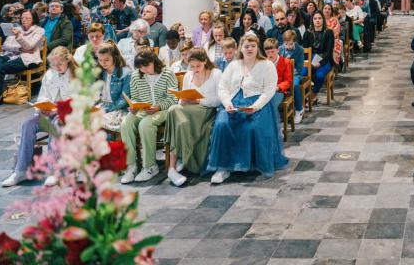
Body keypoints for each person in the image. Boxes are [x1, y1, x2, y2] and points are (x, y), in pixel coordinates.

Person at [205, 33, 288, 183]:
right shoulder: (234, 65)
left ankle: (252, 163)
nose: (249, 49)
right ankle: (223, 167)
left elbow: (269, 90)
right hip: (234, 102)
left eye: (253, 46)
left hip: (258, 103)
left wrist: (255, 107)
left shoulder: (267, 65)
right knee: (222, 125)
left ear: (257, 48)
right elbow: (222, 87)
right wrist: (227, 103)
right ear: (240, 48)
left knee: (252, 128)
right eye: (246, 46)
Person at [1, 47, 77, 187]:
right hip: (49, 112)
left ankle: (53, 171)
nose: (57, 67)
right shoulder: (49, 75)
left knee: (57, 124)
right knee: (28, 124)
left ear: (67, 61)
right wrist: (41, 108)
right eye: (54, 64)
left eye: (60, 63)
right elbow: (42, 95)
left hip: (67, 116)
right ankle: (21, 171)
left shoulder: (77, 75)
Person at [164, 48, 222, 186]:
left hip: (205, 112)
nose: (195, 69)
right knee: (174, 112)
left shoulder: (216, 74)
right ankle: (172, 168)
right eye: (192, 66)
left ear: (205, 61)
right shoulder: (188, 75)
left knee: (173, 112)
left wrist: (198, 101)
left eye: (198, 66)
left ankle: (175, 164)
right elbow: (182, 98)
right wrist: (182, 100)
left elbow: (218, 100)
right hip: (186, 111)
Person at [120, 51, 179, 183]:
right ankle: (131, 166)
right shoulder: (136, 76)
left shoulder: (167, 73)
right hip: (143, 110)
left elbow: (174, 98)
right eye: (140, 67)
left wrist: (158, 107)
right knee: (126, 123)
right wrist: (133, 107)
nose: (143, 70)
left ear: (154, 62)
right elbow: (135, 97)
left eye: (146, 66)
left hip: (163, 110)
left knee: (145, 124)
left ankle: (150, 166)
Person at [0, 10, 45, 99]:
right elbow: (5, 46)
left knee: (1, 68)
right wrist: (19, 48)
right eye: (22, 18)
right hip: (11, 55)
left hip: (29, 58)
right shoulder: (17, 28)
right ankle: (1, 93)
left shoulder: (39, 30)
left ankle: (0, 94)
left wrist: (18, 36)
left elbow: (29, 46)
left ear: (33, 19)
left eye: (27, 18)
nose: (24, 20)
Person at [95, 42, 131, 133]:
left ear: (114, 58)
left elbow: (124, 99)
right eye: (100, 60)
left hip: (118, 109)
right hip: (101, 106)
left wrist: (105, 109)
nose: (103, 63)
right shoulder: (99, 72)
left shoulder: (126, 73)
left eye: (106, 60)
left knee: (94, 122)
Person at [303, 12, 334, 99]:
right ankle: (305, 95)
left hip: (324, 58)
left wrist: (320, 63)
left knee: (319, 75)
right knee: (303, 73)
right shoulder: (307, 33)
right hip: (311, 58)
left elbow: (328, 52)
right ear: (312, 21)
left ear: (323, 20)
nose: (317, 20)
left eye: (319, 18)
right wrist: (309, 62)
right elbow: (305, 52)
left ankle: (314, 94)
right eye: (315, 18)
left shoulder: (329, 32)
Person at [263, 38, 293, 118]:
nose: (270, 54)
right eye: (268, 52)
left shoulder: (286, 62)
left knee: (269, 102)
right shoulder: (263, 63)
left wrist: (277, 87)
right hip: (265, 91)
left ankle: (271, 123)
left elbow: (288, 81)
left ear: (278, 50)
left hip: (280, 92)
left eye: (272, 51)